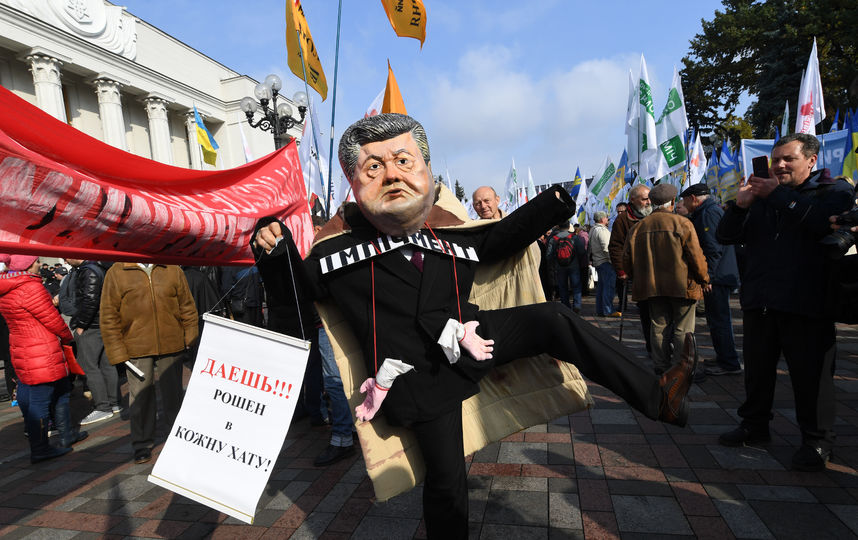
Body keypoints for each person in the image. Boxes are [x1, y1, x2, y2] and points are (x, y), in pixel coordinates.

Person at [253, 113, 697, 539]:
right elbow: (294, 303)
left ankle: (660, 397)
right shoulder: (336, 256)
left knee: (554, 319)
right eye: (374, 166)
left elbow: (498, 238)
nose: (392, 175)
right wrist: (275, 250)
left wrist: (557, 200)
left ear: (426, 171)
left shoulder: (447, 236)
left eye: (403, 161)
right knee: (447, 483)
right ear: (354, 183)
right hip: (419, 377)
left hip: (474, 340)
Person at [716, 133, 854, 472]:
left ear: (810, 161)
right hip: (761, 300)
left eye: (787, 159)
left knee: (811, 377)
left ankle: (817, 441)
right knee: (758, 371)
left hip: (808, 302)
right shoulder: (762, 196)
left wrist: (776, 195)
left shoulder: (833, 192)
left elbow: (822, 223)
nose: (778, 165)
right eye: (775, 159)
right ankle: (754, 425)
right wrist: (740, 205)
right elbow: (725, 236)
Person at [99, 263, 198, 464]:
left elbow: (187, 305)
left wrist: (191, 337)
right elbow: (108, 316)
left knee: (174, 394)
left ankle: (178, 436)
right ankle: (142, 443)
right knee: (140, 397)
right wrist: (117, 352)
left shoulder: (172, 269)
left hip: (171, 342)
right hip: (135, 346)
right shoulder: (117, 272)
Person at [0, 254, 87, 463]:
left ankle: (65, 435)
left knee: (51, 391)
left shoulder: (6, 286)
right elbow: (52, 320)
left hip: (22, 346)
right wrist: (68, 336)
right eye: (37, 262)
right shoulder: (30, 287)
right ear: (28, 266)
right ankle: (41, 448)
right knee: (42, 398)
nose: (40, 264)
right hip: (41, 348)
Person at [624, 184, 709, 375]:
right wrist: (704, 278)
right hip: (681, 284)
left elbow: (627, 260)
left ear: (652, 202)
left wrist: (634, 276)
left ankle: (661, 365)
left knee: (658, 326)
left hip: (651, 286)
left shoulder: (638, 228)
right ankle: (681, 368)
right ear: (672, 201)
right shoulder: (682, 223)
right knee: (683, 328)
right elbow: (696, 256)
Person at [681, 184, 742, 376]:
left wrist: (708, 278)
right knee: (716, 319)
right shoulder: (707, 211)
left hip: (717, 277)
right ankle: (724, 356)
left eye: (684, 200)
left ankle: (729, 362)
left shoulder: (708, 213)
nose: (683, 204)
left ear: (693, 198)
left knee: (719, 320)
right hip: (718, 275)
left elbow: (713, 249)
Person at [65, 259, 120, 425]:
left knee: (90, 365)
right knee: (106, 364)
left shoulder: (89, 270)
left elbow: (90, 300)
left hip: (92, 324)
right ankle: (113, 402)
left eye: (66, 256)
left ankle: (103, 406)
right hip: (101, 322)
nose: (65, 260)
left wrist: (82, 324)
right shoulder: (99, 266)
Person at [609, 184, 653, 352]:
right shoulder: (623, 219)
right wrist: (621, 270)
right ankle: (652, 347)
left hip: (658, 271)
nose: (648, 202)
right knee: (646, 312)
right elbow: (615, 247)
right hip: (639, 272)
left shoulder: (655, 214)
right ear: (633, 200)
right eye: (644, 199)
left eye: (649, 198)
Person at [547, 220, 586, 312]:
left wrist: (555, 261)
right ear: (569, 227)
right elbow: (582, 251)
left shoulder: (554, 238)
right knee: (576, 286)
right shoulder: (574, 237)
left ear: (558, 227)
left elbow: (548, 255)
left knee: (562, 286)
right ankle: (577, 305)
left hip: (559, 266)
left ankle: (565, 306)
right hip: (574, 265)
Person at [589, 211, 619, 317]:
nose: (608, 220)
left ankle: (601, 310)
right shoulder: (601, 230)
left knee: (601, 288)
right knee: (608, 287)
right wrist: (614, 261)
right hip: (605, 262)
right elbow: (607, 248)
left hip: (598, 261)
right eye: (607, 218)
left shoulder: (593, 229)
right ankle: (608, 310)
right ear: (602, 219)